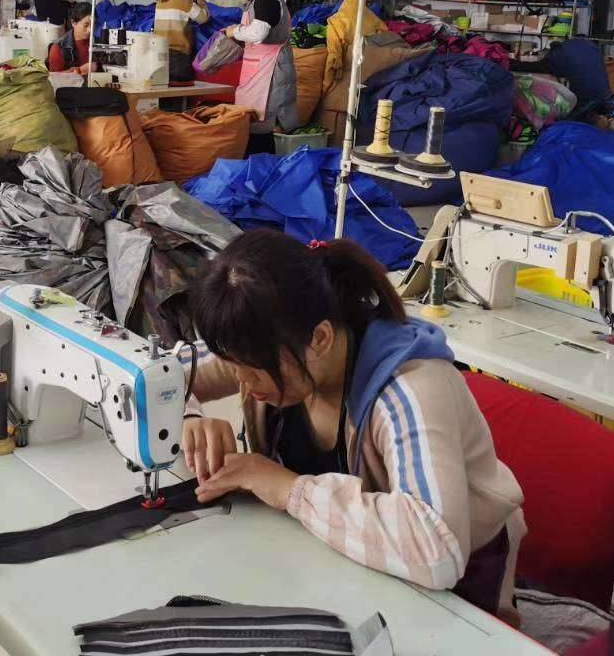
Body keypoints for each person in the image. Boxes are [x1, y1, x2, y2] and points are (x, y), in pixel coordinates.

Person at [182, 230, 526, 619]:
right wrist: (189, 416)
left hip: (456, 602)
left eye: (254, 368)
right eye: (232, 365)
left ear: (320, 338)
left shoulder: (410, 387)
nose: (243, 382)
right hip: (341, 568)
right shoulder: (266, 348)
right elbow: (154, 377)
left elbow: (437, 551)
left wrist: (288, 488)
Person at [223, 0, 300, 152]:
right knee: (253, 124)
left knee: (261, 125)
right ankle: (256, 165)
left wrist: (234, 32)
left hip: (269, 70)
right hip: (257, 70)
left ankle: (260, 166)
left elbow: (258, 33)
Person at [153, 0, 209, 83]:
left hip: (159, 56)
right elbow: (203, 19)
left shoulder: (160, 2)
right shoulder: (185, 3)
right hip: (178, 59)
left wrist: (190, 2)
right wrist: (203, 5)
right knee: (180, 91)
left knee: (163, 90)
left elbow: (177, 6)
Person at [46, 2, 93, 73]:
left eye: (93, 25)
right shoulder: (58, 47)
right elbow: (55, 77)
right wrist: (80, 70)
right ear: (73, 23)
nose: (90, 30)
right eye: (86, 25)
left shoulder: (97, 44)